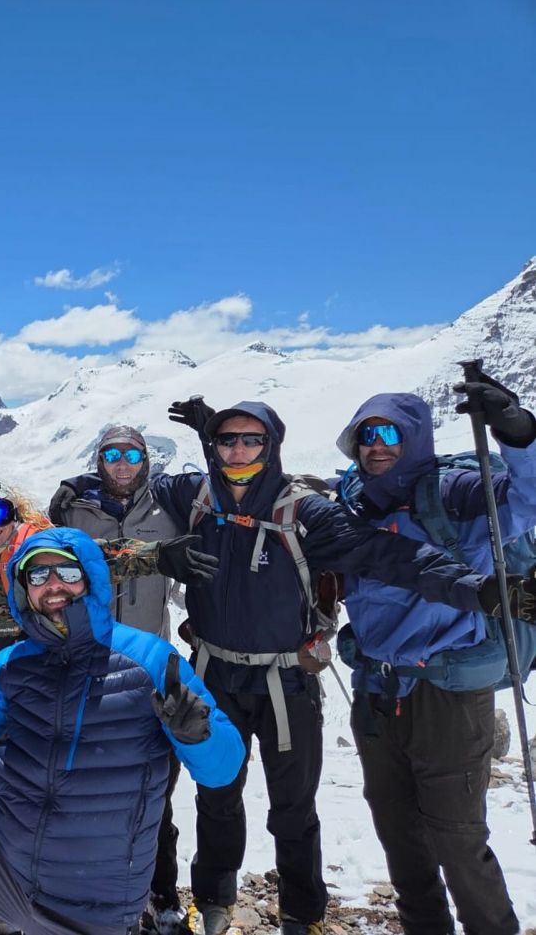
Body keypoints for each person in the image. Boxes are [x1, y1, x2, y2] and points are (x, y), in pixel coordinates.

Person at [155, 398, 536, 935]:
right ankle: (214, 900)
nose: (238, 450)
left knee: (295, 809)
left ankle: (301, 913)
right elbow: (126, 492)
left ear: (272, 446)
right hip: (218, 673)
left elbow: (388, 556)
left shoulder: (307, 512)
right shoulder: (193, 496)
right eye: (227, 440)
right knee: (217, 796)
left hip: (289, 679)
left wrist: (478, 592)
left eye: (252, 440)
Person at [0, 528, 245, 935]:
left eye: (67, 572)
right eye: (38, 576)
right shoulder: (11, 665)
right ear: (24, 589)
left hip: (92, 896)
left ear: (90, 578)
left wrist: (197, 735)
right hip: (4, 858)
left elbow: (223, 769)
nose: (54, 585)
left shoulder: (149, 659)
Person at [332, 380, 536, 935]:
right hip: (377, 690)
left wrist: (517, 433)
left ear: (416, 437)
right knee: (397, 832)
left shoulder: (456, 493)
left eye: (389, 433)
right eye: (366, 435)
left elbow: (527, 499)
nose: (376, 445)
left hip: (447, 692)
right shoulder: (353, 501)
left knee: (457, 837)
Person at [49, 424, 190, 932]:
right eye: (113, 454)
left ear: (146, 460)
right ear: (99, 460)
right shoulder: (74, 512)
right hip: (88, 672)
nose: (123, 464)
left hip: (149, 671)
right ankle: (98, 895)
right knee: (91, 790)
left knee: (157, 793)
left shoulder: (167, 511)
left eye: (132, 454)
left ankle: (162, 895)